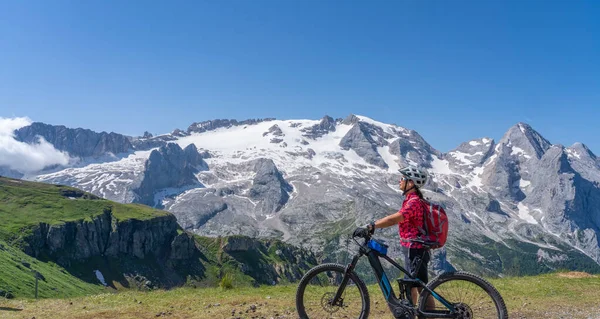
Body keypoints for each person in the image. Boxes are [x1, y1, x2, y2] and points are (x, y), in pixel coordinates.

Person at [353, 165, 435, 309]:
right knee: (416, 285)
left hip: (415, 249)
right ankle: (411, 312)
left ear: (411, 183)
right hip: (414, 248)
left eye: (403, 178)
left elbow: (395, 218)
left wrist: (371, 225)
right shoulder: (412, 200)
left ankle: (413, 313)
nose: (399, 180)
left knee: (417, 285)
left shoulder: (414, 202)